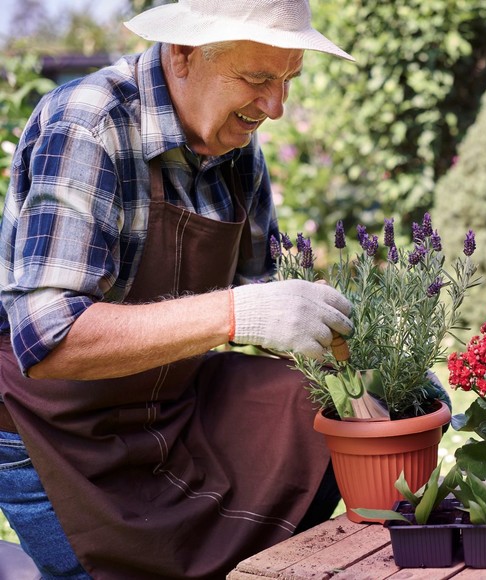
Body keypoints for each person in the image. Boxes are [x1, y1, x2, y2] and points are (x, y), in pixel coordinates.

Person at [0, 1, 356, 578]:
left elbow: (260, 296)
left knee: (321, 407)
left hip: (169, 409)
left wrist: (369, 359)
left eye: (287, 79)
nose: (276, 108)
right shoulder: (87, 123)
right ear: (184, 54)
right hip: (57, 433)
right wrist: (239, 311)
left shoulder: (235, 148)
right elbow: (50, 340)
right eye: (259, 78)